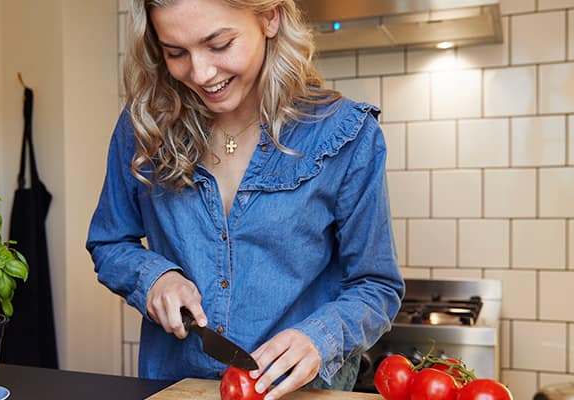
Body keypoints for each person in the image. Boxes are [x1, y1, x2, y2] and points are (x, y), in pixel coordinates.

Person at [86, 0, 404, 399]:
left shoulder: (346, 135)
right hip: (175, 386)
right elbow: (109, 241)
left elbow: (376, 285)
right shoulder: (143, 128)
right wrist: (153, 277)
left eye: (219, 44)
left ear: (270, 17)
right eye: (176, 52)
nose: (200, 73)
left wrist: (318, 339)